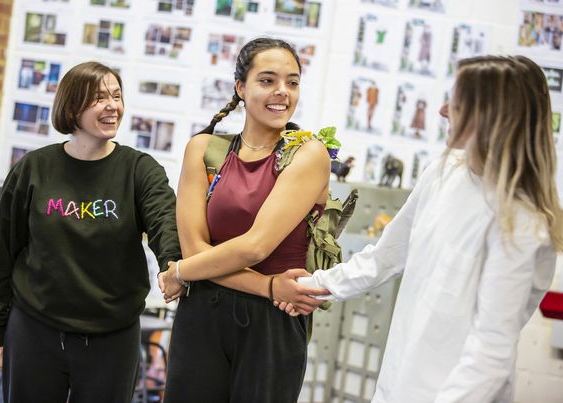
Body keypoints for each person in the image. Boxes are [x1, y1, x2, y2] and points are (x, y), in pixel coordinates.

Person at [286, 55, 563, 402]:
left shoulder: (522, 224)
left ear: (491, 117)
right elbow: (385, 257)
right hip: (396, 388)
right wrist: (312, 286)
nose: (443, 110)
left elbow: (490, 357)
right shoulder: (444, 172)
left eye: (457, 102)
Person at [0, 61, 181, 403]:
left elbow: (165, 221)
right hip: (34, 330)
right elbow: (2, 253)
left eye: (116, 96)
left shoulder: (139, 169)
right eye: (99, 98)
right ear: (71, 107)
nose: (112, 105)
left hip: (112, 337)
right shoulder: (33, 168)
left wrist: (172, 263)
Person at [159, 37, 331, 403]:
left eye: (293, 82)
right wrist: (270, 286)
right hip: (204, 314)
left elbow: (256, 246)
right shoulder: (203, 149)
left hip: (272, 324)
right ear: (240, 87)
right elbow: (192, 250)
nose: (282, 92)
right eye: (267, 80)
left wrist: (181, 273)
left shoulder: (309, 154)